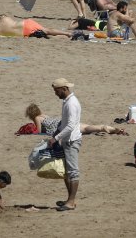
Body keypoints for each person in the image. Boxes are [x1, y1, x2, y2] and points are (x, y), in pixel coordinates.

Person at [49, 79, 82, 210]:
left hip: (71, 141)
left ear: (64, 89)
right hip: (67, 140)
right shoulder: (67, 102)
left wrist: (56, 138)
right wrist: (56, 133)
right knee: (66, 172)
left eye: (56, 91)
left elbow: (70, 126)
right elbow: (64, 123)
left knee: (73, 172)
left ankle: (71, 201)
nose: (55, 94)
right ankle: (70, 199)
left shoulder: (71, 103)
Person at [0, 14, 71, 39]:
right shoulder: (4, 18)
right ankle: (67, 34)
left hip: (25, 33)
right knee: (46, 31)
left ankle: (66, 36)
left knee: (47, 36)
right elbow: (3, 15)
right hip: (25, 23)